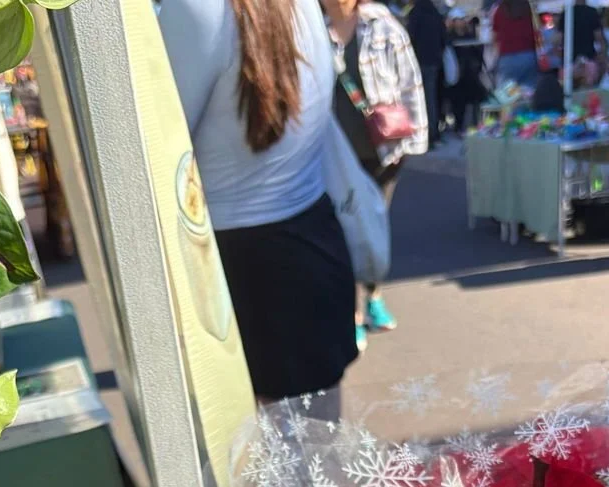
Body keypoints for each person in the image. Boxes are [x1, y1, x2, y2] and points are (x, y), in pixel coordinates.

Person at [159, 0, 358, 405]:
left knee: (261, 440)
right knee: (314, 436)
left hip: (240, 268)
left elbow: (158, 150)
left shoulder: (196, 9)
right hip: (311, 246)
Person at [322, 0, 428, 349]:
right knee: (344, 229)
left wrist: (414, 140)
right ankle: (352, 313)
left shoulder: (381, 24)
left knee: (373, 228)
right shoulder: (312, 30)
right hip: (336, 153)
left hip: (383, 151)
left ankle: (374, 296)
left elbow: (410, 81)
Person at [407, 0, 448, 148]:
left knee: (420, 100)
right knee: (432, 98)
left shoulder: (415, 13)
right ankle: (434, 132)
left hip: (418, 61)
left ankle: (425, 135)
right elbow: (444, 37)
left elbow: (410, 37)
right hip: (434, 61)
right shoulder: (435, 13)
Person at [489, 0, 539, 89]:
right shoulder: (527, 7)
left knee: (508, 91)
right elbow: (536, 29)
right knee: (529, 89)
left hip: (507, 56)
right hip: (528, 54)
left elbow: (494, 36)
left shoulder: (500, 9)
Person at [558, 0, 606, 72]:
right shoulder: (592, 12)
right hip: (589, 56)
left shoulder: (567, 12)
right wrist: (603, 54)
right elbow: (599, 37)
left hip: (569, 57)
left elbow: (558, 38)